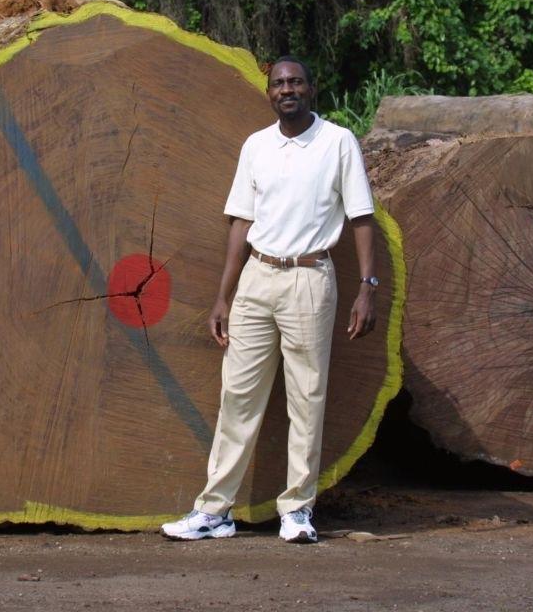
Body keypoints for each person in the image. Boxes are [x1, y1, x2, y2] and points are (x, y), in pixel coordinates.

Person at [160, 56, 377, 544]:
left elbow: (361, 216)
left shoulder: (338, 142)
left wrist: (367, 286)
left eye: (296, 81)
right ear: (269, 93)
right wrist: (224, 296)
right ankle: (216, 511)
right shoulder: (256, 146)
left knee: (307, 395)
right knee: (238, 394)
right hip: (258, 279)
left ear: (311, 88)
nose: (287, 89)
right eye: (279, 83)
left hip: (310, 276)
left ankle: (297, 510)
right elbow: (241, 221)